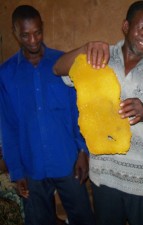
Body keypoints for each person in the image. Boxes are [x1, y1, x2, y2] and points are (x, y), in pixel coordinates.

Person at [53, 1, 143, 225]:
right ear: (125, 26)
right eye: (142, 28)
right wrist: (85, 48)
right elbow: (58, 69)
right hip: (105, 177)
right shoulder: (99, 60)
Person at [0, 5, 95, 225]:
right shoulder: (6, 74)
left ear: (43, 28)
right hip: (31, 166)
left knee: (83, 218)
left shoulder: (62, 64)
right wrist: (16, 170)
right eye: (25, 35)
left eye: (37, 32)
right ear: (15, 33)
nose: (33, 40)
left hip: (68, 162)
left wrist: (83, 150)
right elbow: (9, 125)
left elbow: (78, 110)